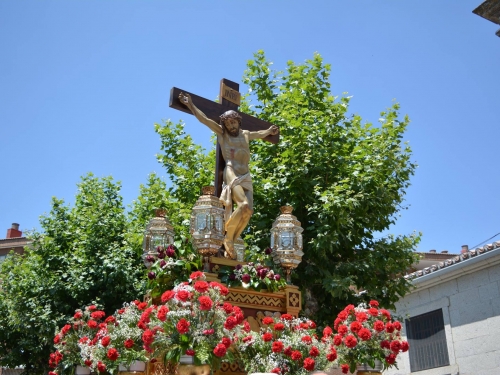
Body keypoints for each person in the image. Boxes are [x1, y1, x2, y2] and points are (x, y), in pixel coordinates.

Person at [178, 92, 278, 258]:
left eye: (233, 122)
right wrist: (190, 105)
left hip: (246, 174)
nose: (231, 126)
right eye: (228, 123)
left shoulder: (246, 135)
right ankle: (227, 237)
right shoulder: (222, 134)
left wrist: (269, 130)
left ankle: (232, 238)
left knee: (248, 212)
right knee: (243, 205)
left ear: (238, 121)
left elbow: (261, 134)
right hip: (231, 171)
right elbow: (204, 119)